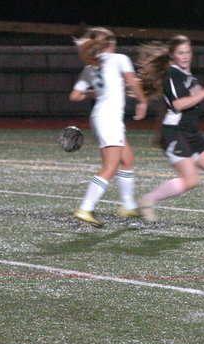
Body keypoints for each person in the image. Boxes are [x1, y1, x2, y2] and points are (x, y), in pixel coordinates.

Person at [136, 35, 204, 233]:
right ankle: (147, 201)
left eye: (188, 52)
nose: (185, 56)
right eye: (180, 53)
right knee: (190, 180)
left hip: (192, 133)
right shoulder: (173, 74)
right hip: (176, 134)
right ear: (172, 56)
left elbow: (171, 105)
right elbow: (178, 105)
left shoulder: (187, 76)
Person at [69, 27, 148, 227]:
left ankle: (128, 206)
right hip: (109, 118)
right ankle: (85, 208)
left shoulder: (90, 67)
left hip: (102, 116)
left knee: (127, 160)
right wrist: (142, 101)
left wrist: (94, 93)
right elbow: (132, 80)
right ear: (110, 43)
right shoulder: (119, 59)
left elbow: (75, 96)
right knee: (110, 167)